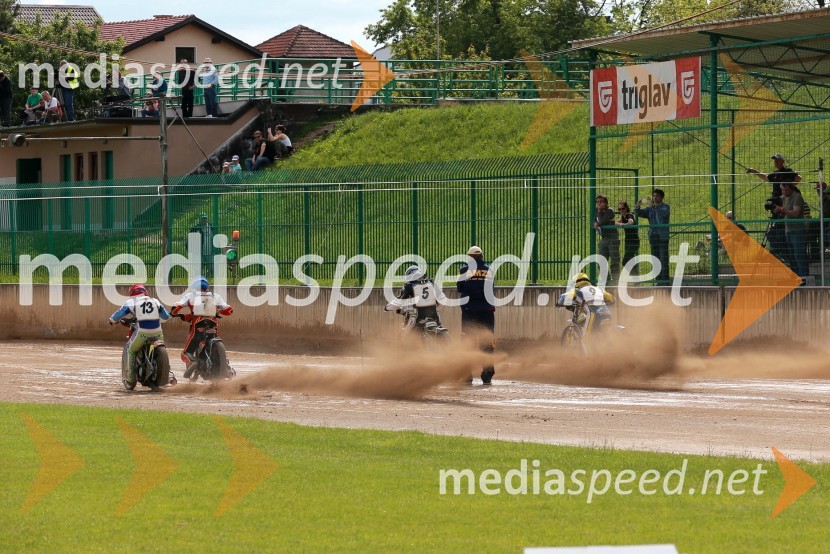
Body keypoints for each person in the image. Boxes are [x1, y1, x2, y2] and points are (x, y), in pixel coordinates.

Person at [108, 284, 172, 389]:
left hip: (142, 332)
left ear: (132, 294)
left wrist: (111, 320)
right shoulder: (155, 301)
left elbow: (118, 315)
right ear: (145, 292)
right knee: (163, 351)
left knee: (130, 350)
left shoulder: (131, 302)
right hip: (158, 332)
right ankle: (168, 375)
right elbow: (166, 317)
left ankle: (130, 378)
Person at [171, 277, 233, 378]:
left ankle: (192, 361)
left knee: (185, 353)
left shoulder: (190, 296)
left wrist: (173, 313)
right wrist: (218, 311)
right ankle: (227, 368)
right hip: (213, 326)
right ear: (207, 286)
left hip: (198, 326)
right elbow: (229, 310)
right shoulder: (215, 296)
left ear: (194, 287)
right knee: (217, 343)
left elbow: (176, 306)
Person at [458, 245, 496, 385]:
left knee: (468, 341)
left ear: (469, 257)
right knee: (487, 341)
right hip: (487, 309)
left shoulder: (464, 270)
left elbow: (460, 288)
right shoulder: (489, 270)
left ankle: (467, 374)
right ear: (482, 256)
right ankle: (487, 374)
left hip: (470, 310)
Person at [385, 265, 447, 333]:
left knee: (406, 334)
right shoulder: (432, 283)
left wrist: (387, 308)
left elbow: (398, 302)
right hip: (434, 316)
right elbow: (443, 300)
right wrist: (436, 308)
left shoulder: (408, 287)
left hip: (418, 318)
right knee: (440, 326)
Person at [556, 272, 616, 339]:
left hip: (593, 314)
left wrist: (558, 303)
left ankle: (586, 345)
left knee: (585, 337)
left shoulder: (578, 290)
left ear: (576, 282)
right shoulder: (599, 289)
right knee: (599, 333)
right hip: (606, 313)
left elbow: (563, 297)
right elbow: (612, 299)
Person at [635, 189, 671, 284]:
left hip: (662, 237)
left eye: (657, 196)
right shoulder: (649, 209)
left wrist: (653, 206)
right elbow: (638, 213)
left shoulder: (666, 207)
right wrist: (638, 206)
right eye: (654, 196)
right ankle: (658, 281)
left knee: (663, 259)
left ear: (662, 197)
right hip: (653, 236)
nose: (655, 198)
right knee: (655, 259)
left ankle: (665, 281)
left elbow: (663, 213)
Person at [773, 182, 808, 279]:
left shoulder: (797, 197)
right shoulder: (785, 198)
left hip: (798, 230)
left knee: (799, 255)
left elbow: (795, 213)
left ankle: (804, 277)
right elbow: (786, 213)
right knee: (792, 256)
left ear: (792, 189)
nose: (784, 192)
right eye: (783, 190)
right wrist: (779, 211)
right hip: (788, 230)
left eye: (786, 190)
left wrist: (781, 209)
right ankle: (796, 276)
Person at [594, 194, 619, 279]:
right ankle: (607, 280)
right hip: (604, 238)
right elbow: (594, 220)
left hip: (613, 238)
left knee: (614, 261)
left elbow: (601, 221)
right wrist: (595, 223)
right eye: (597, 202)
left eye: (601, 202)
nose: (599, 203)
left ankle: (615, 280)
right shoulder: (597, 210)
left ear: (606, 203)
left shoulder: (609, 211)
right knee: (601, 261)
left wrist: (599, 211)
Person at [616, 201, 639, 273]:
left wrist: (624, 224)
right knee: (630, 261)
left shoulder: (629, 215)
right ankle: (635, 276)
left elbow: (631, 222)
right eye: (619, 209)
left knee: (625, 261)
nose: (621, 211)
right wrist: (620, 224)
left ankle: (634, 275)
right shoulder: (622, 217)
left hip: (634, 242)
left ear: (626, 208)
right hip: (628, 242)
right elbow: (615, 222)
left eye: (622, 209)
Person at [189, 213, 215, 277]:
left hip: (210, 252)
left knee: (211, 269)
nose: (204, 220)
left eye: (205, 218)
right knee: (199, 270)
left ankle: (209, 279)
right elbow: (190, 241)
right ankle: (201, 280)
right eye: (202, 219)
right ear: (199, 220)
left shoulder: (211, 227)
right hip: (199, 254)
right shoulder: (195, 229)